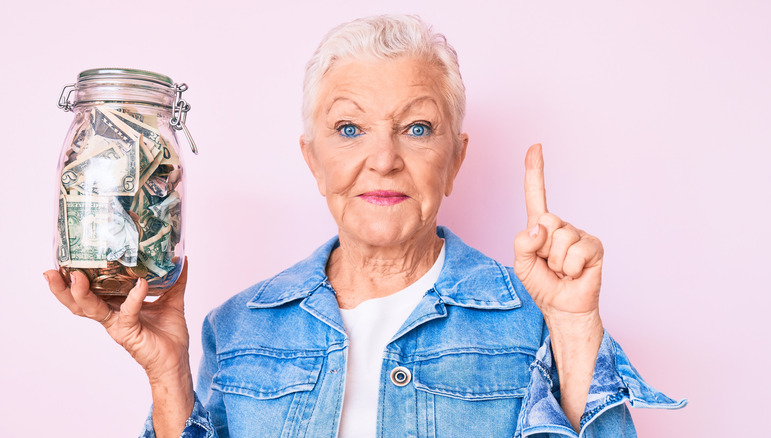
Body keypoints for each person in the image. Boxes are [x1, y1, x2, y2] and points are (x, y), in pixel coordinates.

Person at [44, 14, 685, 438]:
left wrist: (574, 331)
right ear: (312, 159)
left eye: (417, 128)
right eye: (349, 129)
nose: (384, 158)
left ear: (456, 159)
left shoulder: (533, 319)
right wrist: (166, 372)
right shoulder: (236, 328)